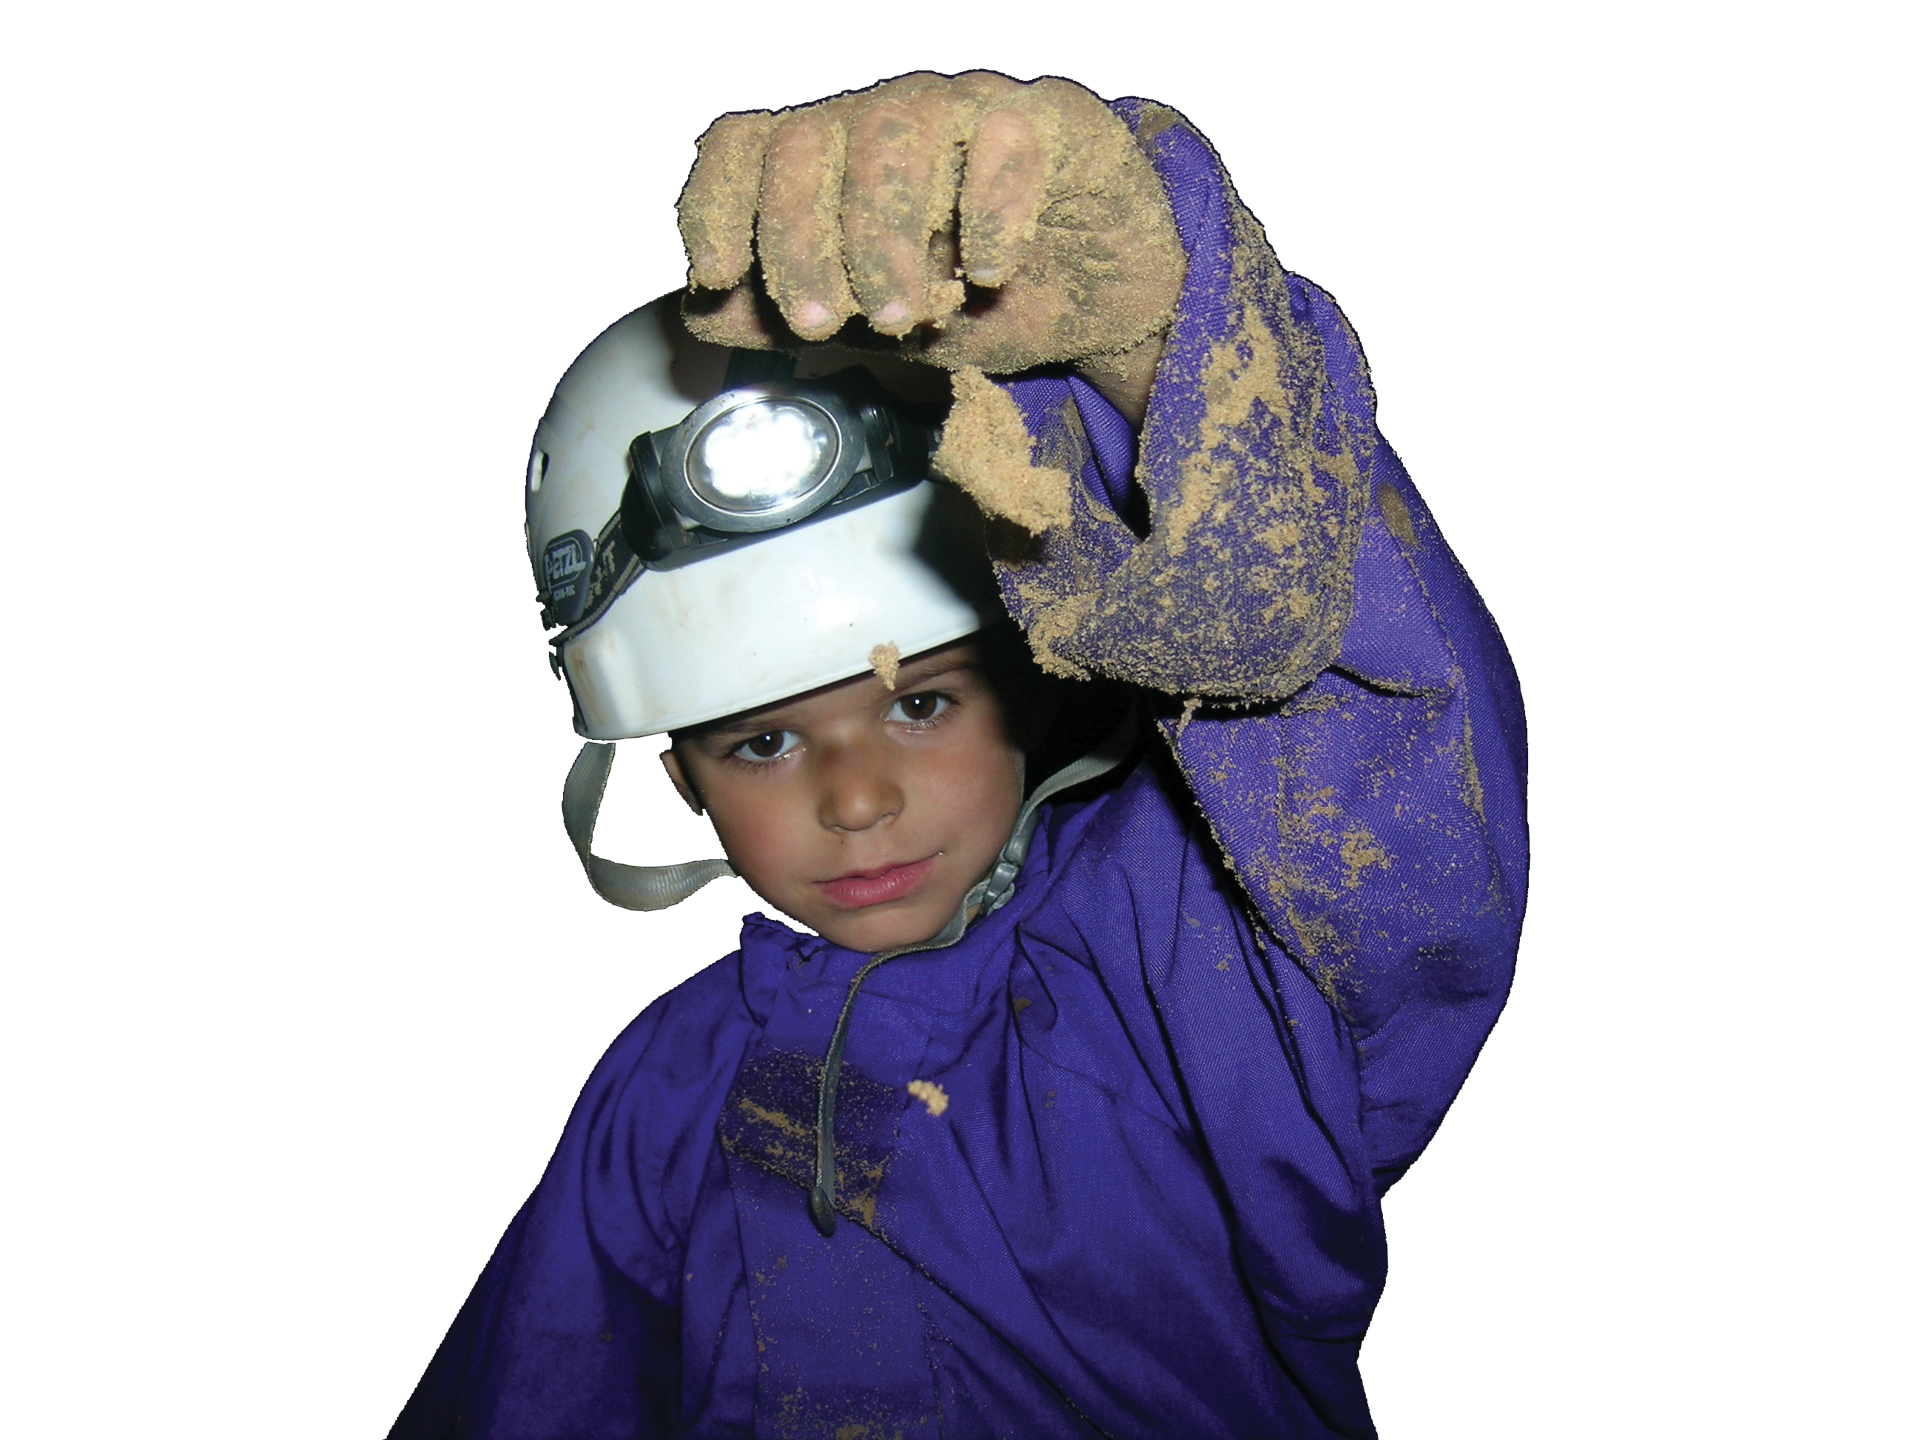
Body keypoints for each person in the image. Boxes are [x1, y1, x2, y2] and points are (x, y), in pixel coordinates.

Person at [392, 74, 1526, 1440]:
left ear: (1032, 683)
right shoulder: (663, 1090)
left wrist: (1179, 377)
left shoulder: (1165, 956)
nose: (856, 799)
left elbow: (1388, 828)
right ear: (676, 776)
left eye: (918, 704)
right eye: (759, 739)